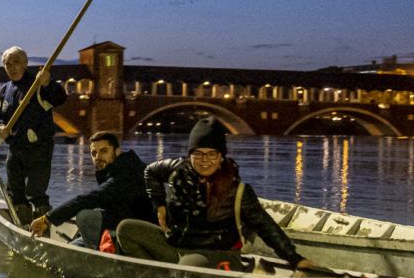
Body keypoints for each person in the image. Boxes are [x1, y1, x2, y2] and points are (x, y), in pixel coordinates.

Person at [116, 116, 316, 270]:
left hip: (215, 253)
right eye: (198, 154)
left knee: (190, 267)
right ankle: (157, 276)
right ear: (190, 154)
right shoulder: (176, 169)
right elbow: (150, 172)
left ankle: (171, 277)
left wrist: (294, 258)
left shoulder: (237, 191)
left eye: (212, 154)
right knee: (126, 229)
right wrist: (159, 204)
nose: (205, 160)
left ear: (221, 157)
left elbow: (265, 226)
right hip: (175, 245)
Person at [29, 131, 153, 250]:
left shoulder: (127, 174)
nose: (98, 157)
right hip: (123, 223)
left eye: (104, 151)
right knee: (75, 243)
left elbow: (93, 197)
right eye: (94, 153)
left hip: (138, 235)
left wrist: (48, 219)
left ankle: (98, 255)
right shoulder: (123, 166)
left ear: (117, 151)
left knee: (86, 217)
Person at [0, 46, 67, 223]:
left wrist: (48, 83)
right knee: (15, 190)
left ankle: (42, 226)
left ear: (25, 64)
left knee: (35, 191)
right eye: (7, 64)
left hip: (39, 148)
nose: (12, 67)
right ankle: (21, 222)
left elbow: (60, 98)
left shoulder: (38, 85)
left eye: (16, 62)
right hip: (15, 147)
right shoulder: (3, 92)